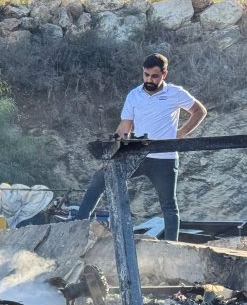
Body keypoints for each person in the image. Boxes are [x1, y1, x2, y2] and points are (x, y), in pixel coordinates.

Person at [75, 53, 207, 241]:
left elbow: (199, 111)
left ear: (164, 74)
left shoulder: (175, 93)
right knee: (100, 177)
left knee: (169, 205)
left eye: (154, 76)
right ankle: (79, 226)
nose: (149, 79)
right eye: (146, 75)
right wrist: (113, 150)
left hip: (164, 157)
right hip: (136, 154)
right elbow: (124, 126)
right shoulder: (134, 95)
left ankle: (171, 245)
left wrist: (182, 132)